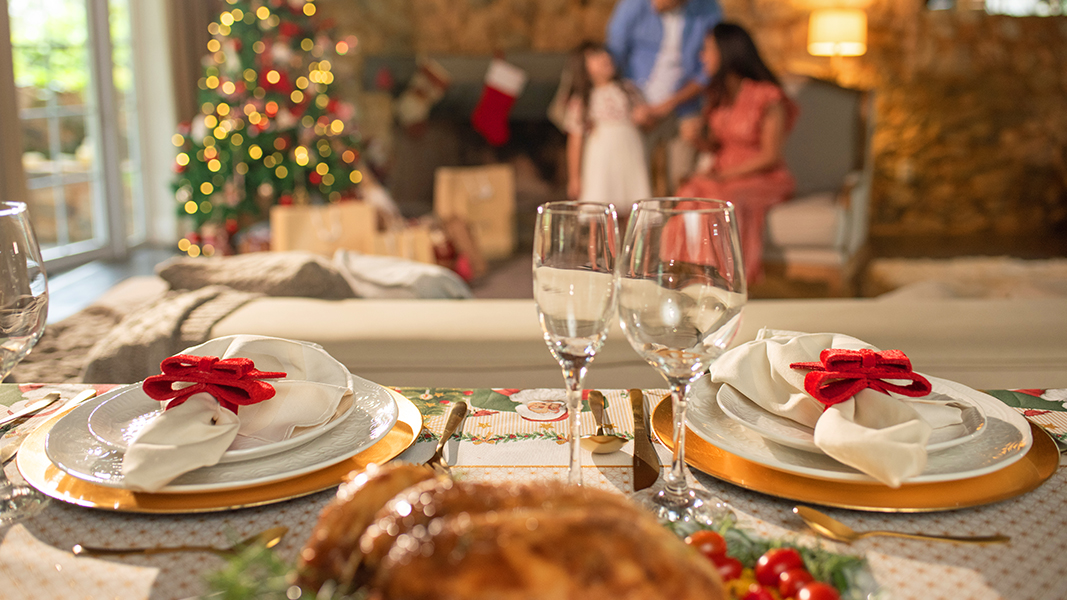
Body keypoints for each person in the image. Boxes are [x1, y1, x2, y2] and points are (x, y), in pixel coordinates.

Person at [669, 22, 798, 285]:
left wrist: (724, 175)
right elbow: (719, 145)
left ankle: (728, 278)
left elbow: (770, 155)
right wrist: (698, 141)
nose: (702, 56)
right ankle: (686, 273)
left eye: (707, 49)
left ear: (727, 52)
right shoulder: (719, 95)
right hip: (722, 171)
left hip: (762, 175)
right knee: (689, 191)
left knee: (721, 199)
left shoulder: (768, 96)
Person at [606, 0, 723, 192]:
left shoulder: (707, 9)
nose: (655, 3)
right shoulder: (633, 5)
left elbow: (708, 68)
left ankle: (677, 221)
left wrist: (669, 104)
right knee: (634, 180)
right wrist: (632, 103)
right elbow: (614, 56)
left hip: (686, 105)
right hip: (638, 107)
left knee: (682, 179)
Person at [563, 42, 651, 212]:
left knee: (630, 206)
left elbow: (646, 125)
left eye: (605, 53)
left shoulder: (629, 90)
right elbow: (575, 140)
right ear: (583, 69)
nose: (604, 58)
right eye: (595, 57)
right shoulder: (583, 100)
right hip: (601, 161)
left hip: (630, 154)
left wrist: (644, 118)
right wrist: (574, 177)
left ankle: (628, 237)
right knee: (599, 207)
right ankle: (597, 239)